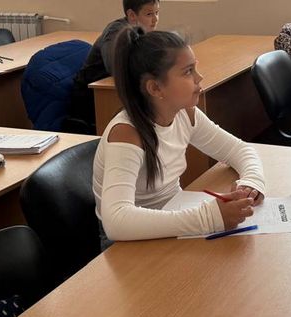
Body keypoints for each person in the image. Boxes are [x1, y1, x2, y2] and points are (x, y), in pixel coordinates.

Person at [93, 27, 265, 245]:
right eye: (188, 71)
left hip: (172, 217)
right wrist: (210, 217)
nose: (199, 77)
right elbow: (117, 222)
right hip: (127, 242)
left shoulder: (185, 113)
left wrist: (251, 182)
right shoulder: (126, 133)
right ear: (155, 88)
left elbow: (238, 149)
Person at [69, 0, 161, 131]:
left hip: (111, 89)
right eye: (149, 14)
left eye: (157, 13)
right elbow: (115, 65)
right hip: (91, 96)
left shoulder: (142, 31)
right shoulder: (116, 32)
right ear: (132, 15)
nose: (155, 19)